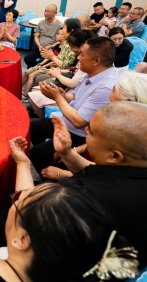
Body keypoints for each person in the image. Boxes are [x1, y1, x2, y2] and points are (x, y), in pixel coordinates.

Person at [17, 101, 147, 267]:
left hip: (69, 263)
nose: (85, 131)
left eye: (91, 133)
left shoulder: (85, 196)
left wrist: (22, 164)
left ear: (115, 156)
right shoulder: (131, 169)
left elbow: (23, 212)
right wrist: (67, 152)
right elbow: (96, 171)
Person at [0, 179, 139, 281]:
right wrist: (23, 163)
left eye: (17, 202)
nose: (16, 198)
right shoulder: (81, 265)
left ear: (22, 239)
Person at [30, 36, 118, 173]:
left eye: (82, 54)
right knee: (30, 127)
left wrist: (58, 98)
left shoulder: (106, 87)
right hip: (66, 122)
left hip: (80, 135)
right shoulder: (92, 72)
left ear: (96, 61)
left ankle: (55, 177)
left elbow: (79, 122)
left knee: (37, 153)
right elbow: (75, 96)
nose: (78, 58)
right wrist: (63, 95)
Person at [41, 71, 147, 180]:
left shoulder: (130, 137)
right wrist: (72, 152)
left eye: (115, 88)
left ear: (128, 102)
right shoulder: (122, 121)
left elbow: (106, 177)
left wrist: (61, 173)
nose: (86, 130)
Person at [28, 29, 95, 116]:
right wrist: (59, 71)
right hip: (69, 88)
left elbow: (73, 83)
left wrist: (58, 74)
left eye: (64, 29)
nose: (78, 58)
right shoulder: (82, 57)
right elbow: (74, 69)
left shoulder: (85, 61)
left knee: (35, 92)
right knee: (36, 87)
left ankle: (45, 119)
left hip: (71, 90)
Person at [24, 4, 64, 68]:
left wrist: (51, 46)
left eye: (48, 11)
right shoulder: (41, 23)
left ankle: (35, 70)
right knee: (27, 58)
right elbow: (36, 36)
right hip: (39, 48)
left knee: (43, 63)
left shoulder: (60, 25)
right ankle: (34, 70)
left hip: (51, 50)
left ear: (55, 13)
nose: (45, 13)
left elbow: (61, 40)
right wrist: (39, 46)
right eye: (45, 11)